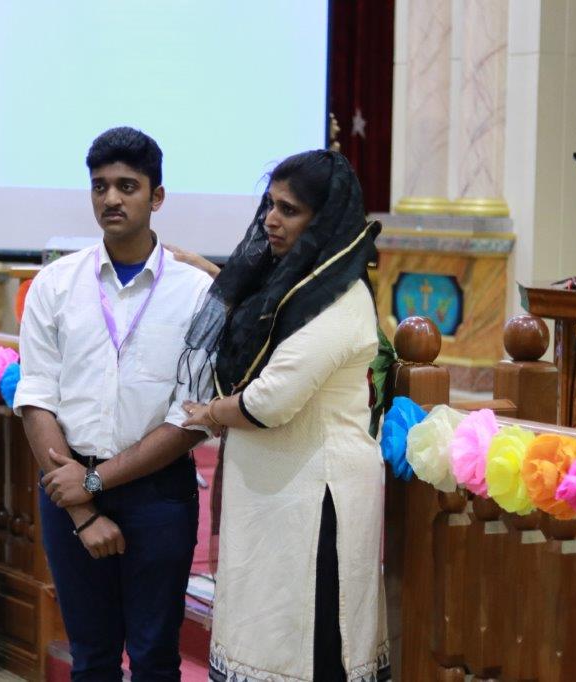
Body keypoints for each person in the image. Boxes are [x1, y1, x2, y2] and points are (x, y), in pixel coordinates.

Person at [181, 150, 390, 681]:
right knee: (266, 632)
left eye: (289, 210)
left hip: (317, 499)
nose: (271, 219)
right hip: (278, 489)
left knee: (306, 646)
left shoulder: (340, 298)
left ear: (323, 222)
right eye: (270, 204)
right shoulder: (296, 286)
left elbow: (268, 401)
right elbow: (258, 331)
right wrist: (214, 276)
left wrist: (210, 412)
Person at [13, 126, 214, 681]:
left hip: (158, 495)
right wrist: (81, 507)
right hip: (68, 484)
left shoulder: (194, 292)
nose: (111, 199)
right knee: (92, 658)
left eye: (128, 186)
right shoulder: (55, 284)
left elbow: (191, 416)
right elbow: (37, 397)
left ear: (157, 196)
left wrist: (96, 483)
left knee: (154, 659)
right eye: (100, 186)